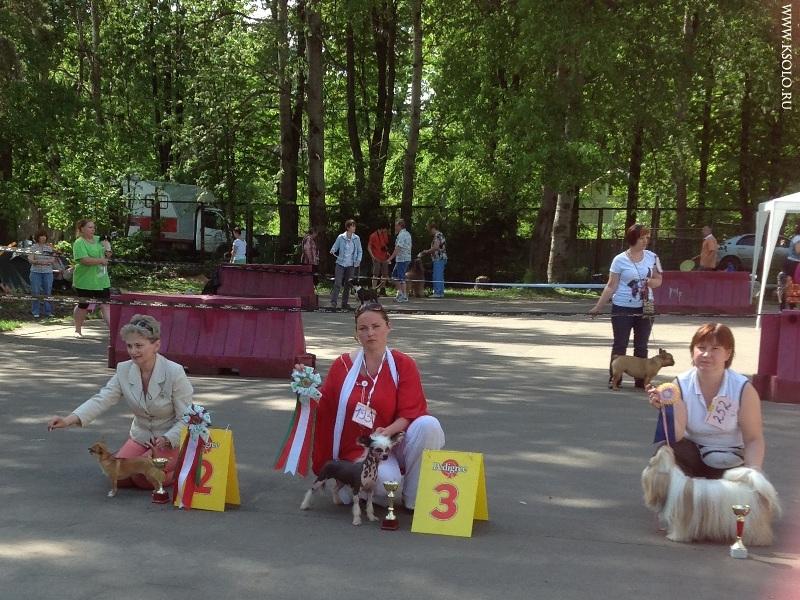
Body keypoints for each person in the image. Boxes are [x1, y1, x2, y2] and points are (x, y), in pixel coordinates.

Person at [311, 302, 445, 509]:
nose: (370, 333)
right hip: (360, 448)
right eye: (363, 328)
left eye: (376, 326)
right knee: (384, 484)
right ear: (356, 333)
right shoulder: (342, 365)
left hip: (394, 440)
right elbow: (326, 405)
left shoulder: (403, 364)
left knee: (429, 425)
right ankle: (355, 481)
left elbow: (410, 412)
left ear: (388, 327)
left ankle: (414, 498)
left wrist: (386, 432)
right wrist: (305, 389)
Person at [47, 315, 192, 489]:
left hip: (169, 439)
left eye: (139, 345)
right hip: (141, 437)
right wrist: (68, 420)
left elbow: (187, 417)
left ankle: (184, 467)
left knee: (144, 479)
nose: (133, 351)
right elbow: (102, 399)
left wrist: (168, 438)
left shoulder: (175, 372)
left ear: (156, 345)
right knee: (119, 476)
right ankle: (159, 466)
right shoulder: (124, 369)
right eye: (129, 346)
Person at [646, 323, 764, 478]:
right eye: (701, 348)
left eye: (715, 349)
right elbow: (676, 436)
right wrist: (665, 409)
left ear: (728, 354)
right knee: (664, 453)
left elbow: (754, 439)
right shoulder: (680, 384)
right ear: (692, 351)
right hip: (692, 454)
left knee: (738, 492)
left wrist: (752, 474)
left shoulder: (743, 388)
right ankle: (676, 493)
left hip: (729, 460)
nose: (706, 354)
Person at [589, 223, 664, 388]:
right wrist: (598, 307)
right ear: (632, 239)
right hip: (622, 306)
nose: (645, 241)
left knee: (641, 345)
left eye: (647, 238)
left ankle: (641, 380)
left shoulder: (653, 257)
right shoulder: (619, 260)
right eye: (642, 238)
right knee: (620, 344)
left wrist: (651, 282)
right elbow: (611, 286)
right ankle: (615, 378)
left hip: (646, 306)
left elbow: (659, 280)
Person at [72, 219, 112, 337]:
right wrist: (100, 261)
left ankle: (113, 333)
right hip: (85, 280)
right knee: (83, 305)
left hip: (102, 280)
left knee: (105, 305)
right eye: (90, 227)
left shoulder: (99, 239)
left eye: (94, 227)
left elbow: (108, 255)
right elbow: (84, 260)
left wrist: (108, 248)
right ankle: (78, 330)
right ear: (82, 229)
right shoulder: (79, 242)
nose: (93, 230)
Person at [329, 219, 362, 309]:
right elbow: (335, 246)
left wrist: (358, 260)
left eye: (354, 226)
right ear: (348, 227)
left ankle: (344, 303)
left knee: (348, 284)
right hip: (340, 263)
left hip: (351, 264)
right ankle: (333, 302)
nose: (354, 228)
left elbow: (360, 251)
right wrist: (333, 250)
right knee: (338, 283)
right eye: (352, 226)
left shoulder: (357, 238)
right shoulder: (341, 237)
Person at [28, 230, 56, 318]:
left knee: (47, 291)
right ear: (38, 237)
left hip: (48, 272)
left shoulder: (50, 247)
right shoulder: (33, 247)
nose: (43, 238)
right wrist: (38, 262)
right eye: (41, 236)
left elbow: (53, 259)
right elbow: (30, 259)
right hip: (35, 272)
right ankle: (35, 311)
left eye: (45, 236)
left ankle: (48, 311)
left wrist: (47, 262)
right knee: (35, 291)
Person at [419, 222, 447, 298]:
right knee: (439, 275)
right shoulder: (440, 235)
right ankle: (440, 292)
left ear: (433, 228)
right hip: (440, 258)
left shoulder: (437, 235)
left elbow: (436, 247)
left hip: (439, 258)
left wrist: (426, 251)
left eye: (429, 229)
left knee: (437, 275)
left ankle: (438, 292)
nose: (429, 232)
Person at [387, 218, 412, 303]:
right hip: (403, 258)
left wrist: (390, 258)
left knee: (401, 277)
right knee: (394, 276)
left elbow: (398, 248)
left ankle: (404, 296)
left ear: (400, 226)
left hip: (402, 259)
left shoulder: (402, 235)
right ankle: (400, 293)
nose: (395, 227)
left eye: (396, 226)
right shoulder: (407, 234)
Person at [367, 224, 391, 295]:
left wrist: (387, 251)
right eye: (386, 229)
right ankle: (374, 290)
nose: (386, 231)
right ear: (382, 228)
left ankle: (382, 290)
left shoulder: (385, 234)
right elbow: (369, 247)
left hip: (384, 257)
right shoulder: (373, 235)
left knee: (385, 274)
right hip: (376, 257)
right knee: (375, 274)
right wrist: (372, 256)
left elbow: (385, 244)